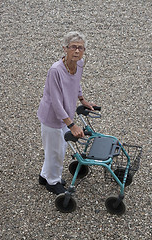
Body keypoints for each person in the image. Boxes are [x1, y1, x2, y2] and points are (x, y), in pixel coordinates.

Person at [37, 31, 96, 195]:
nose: (77, 51)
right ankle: (53, 182)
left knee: (55, 148)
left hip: (66, 115)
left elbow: (77, 83)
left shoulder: (80, 64)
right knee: (57, 151)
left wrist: (83, 99)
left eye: (80, 48)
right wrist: (72, 125)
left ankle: (44, 176)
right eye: (73, 47)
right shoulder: (55, 70)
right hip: (53, 117)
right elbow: (55, 102)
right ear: (65, 48)